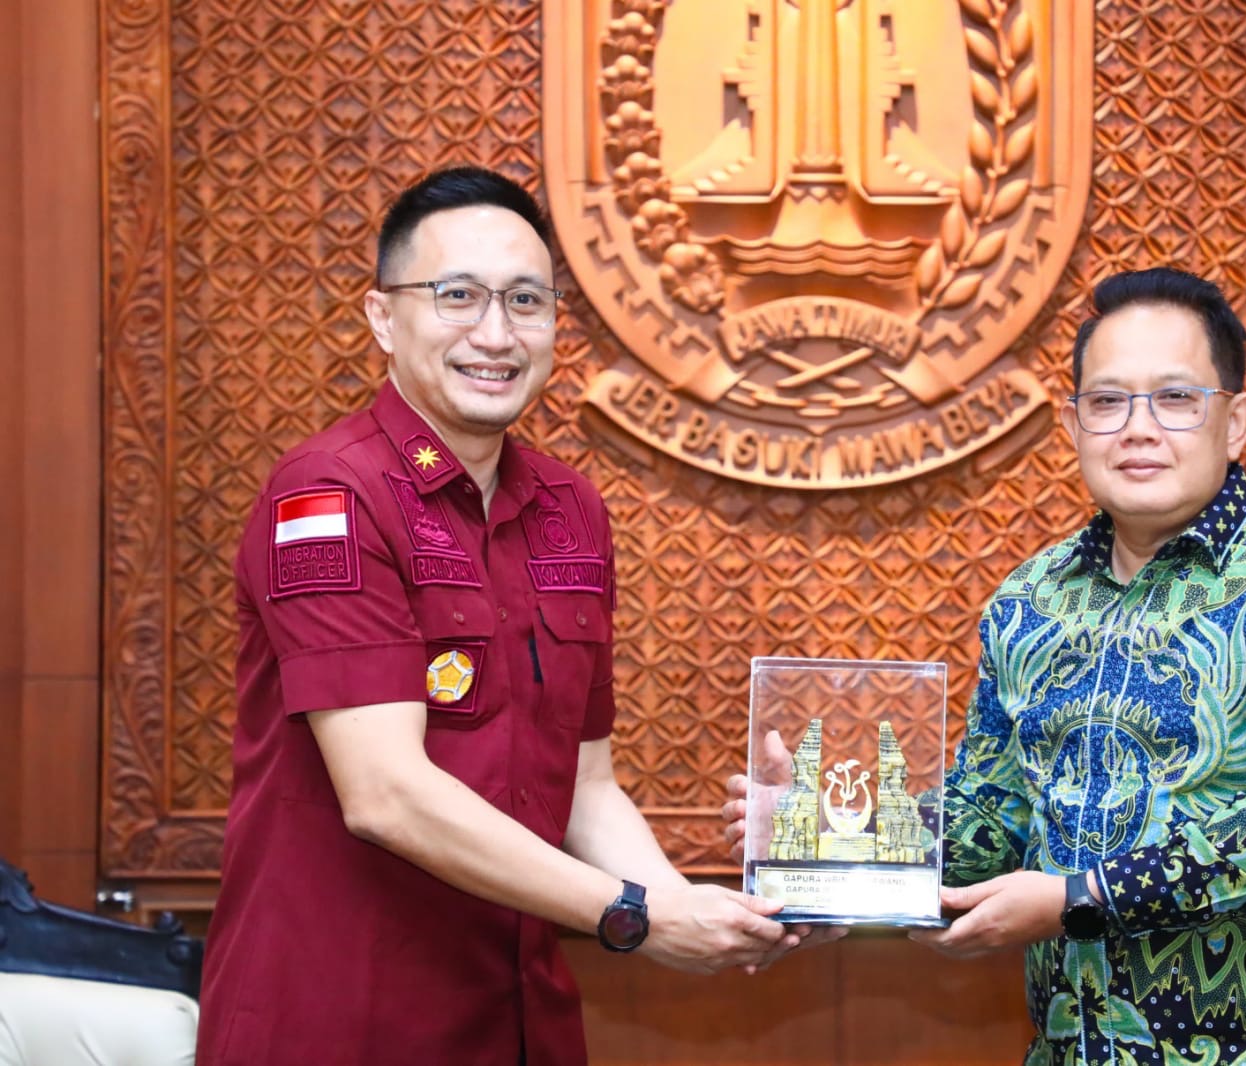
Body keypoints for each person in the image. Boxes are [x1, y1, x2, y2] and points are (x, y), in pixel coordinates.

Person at [198, 165, 799, 1066]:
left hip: (519, 1016)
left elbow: (585, 790)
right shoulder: (328, 497)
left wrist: (686, 906)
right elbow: (385, 794)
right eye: (456, 296)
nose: (495, 333)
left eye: (525, 300)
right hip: (342, 1019)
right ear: (382, 318)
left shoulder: (569, 510)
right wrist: (633, 916)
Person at [727, 267, 1246, 1065]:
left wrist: (1079, 899)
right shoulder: (1030, 599)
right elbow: (990, 812)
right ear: (1074, 424)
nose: (1137, 429)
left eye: (1175, 398)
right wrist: (833, 842)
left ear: (1237, 422)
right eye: (1107, 401)